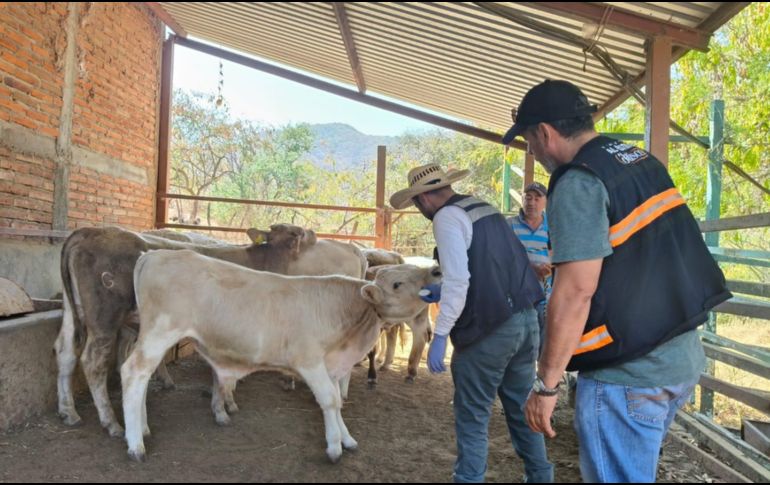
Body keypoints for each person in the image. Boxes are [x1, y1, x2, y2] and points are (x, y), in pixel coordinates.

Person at [501, 79, 731, 482]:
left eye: (529, 141)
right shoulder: (638, 160)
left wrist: (546, 386)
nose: (532, 152)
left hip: (628, 375)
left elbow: (575, 291)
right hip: (679, 357)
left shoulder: (578, 181)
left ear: (545, 133)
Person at [390, 163, 553, 483]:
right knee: (521, 408)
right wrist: (442, 291)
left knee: (473, 416)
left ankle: (469, 478)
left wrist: (441, 334)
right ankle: (540, 476)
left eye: (416, 204)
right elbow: (492, 267)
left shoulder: (446, 217)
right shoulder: (484, 208)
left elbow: (458, 279)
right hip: (526, 320)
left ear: (423, 199)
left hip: (491, 329)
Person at [508, 182, 552, 354]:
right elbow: (503, 257)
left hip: (545, 298)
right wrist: (531, 268)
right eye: (528, 198)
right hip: (516, 299)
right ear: (522, 199)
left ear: (545, 201)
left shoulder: (554, 226)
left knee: (544, 347)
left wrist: (550, 266)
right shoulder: (509, 225)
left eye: (537, 198)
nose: (531, 202)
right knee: (517, 348)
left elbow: (561, 255)